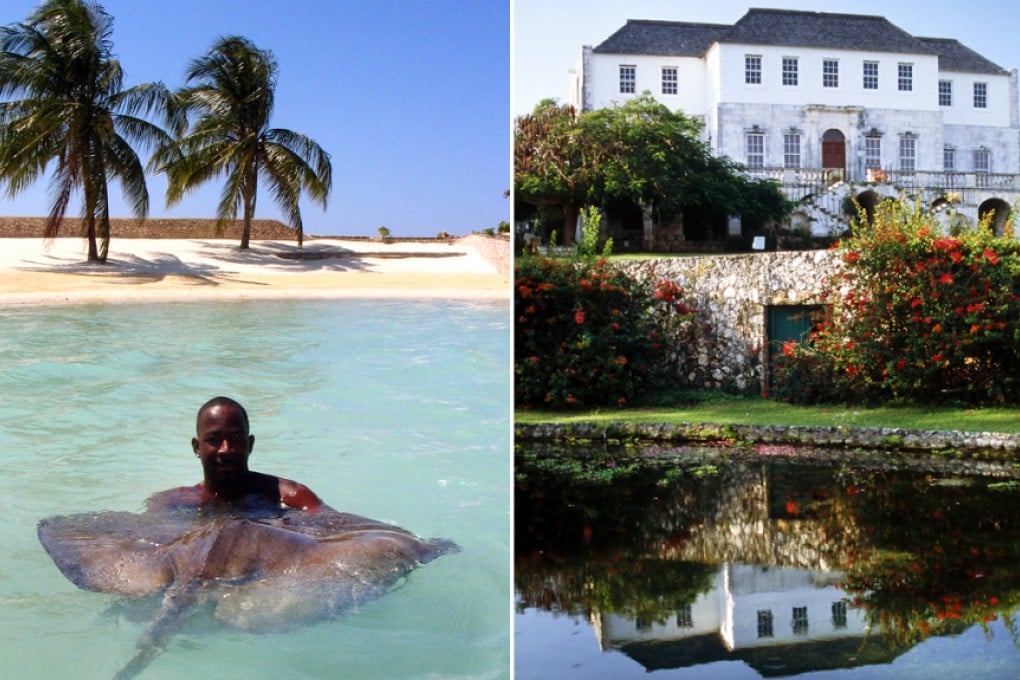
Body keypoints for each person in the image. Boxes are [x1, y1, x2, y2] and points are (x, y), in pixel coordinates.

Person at [145, 396, 324, 512]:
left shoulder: (292, 497)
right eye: (214, 439)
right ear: (196, 447)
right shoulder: (173, 502)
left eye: (236, 439)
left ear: (250, 444)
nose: (225, 449)